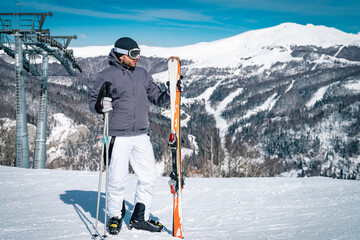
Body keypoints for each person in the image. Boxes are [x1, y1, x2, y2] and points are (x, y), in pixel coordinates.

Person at [89, 37, 170, 235]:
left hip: (142, 134)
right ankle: (115, 216)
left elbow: (157, 98)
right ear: (120, 54)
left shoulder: (143, 74)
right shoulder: (106, 75)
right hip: (118, 135)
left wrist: (170, 94)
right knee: (116, 179)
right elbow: (93, 102)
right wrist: (101, 106)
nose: (138, 58)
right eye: (133, 54)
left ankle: (140, 217)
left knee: (148, 177)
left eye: (139, 53)